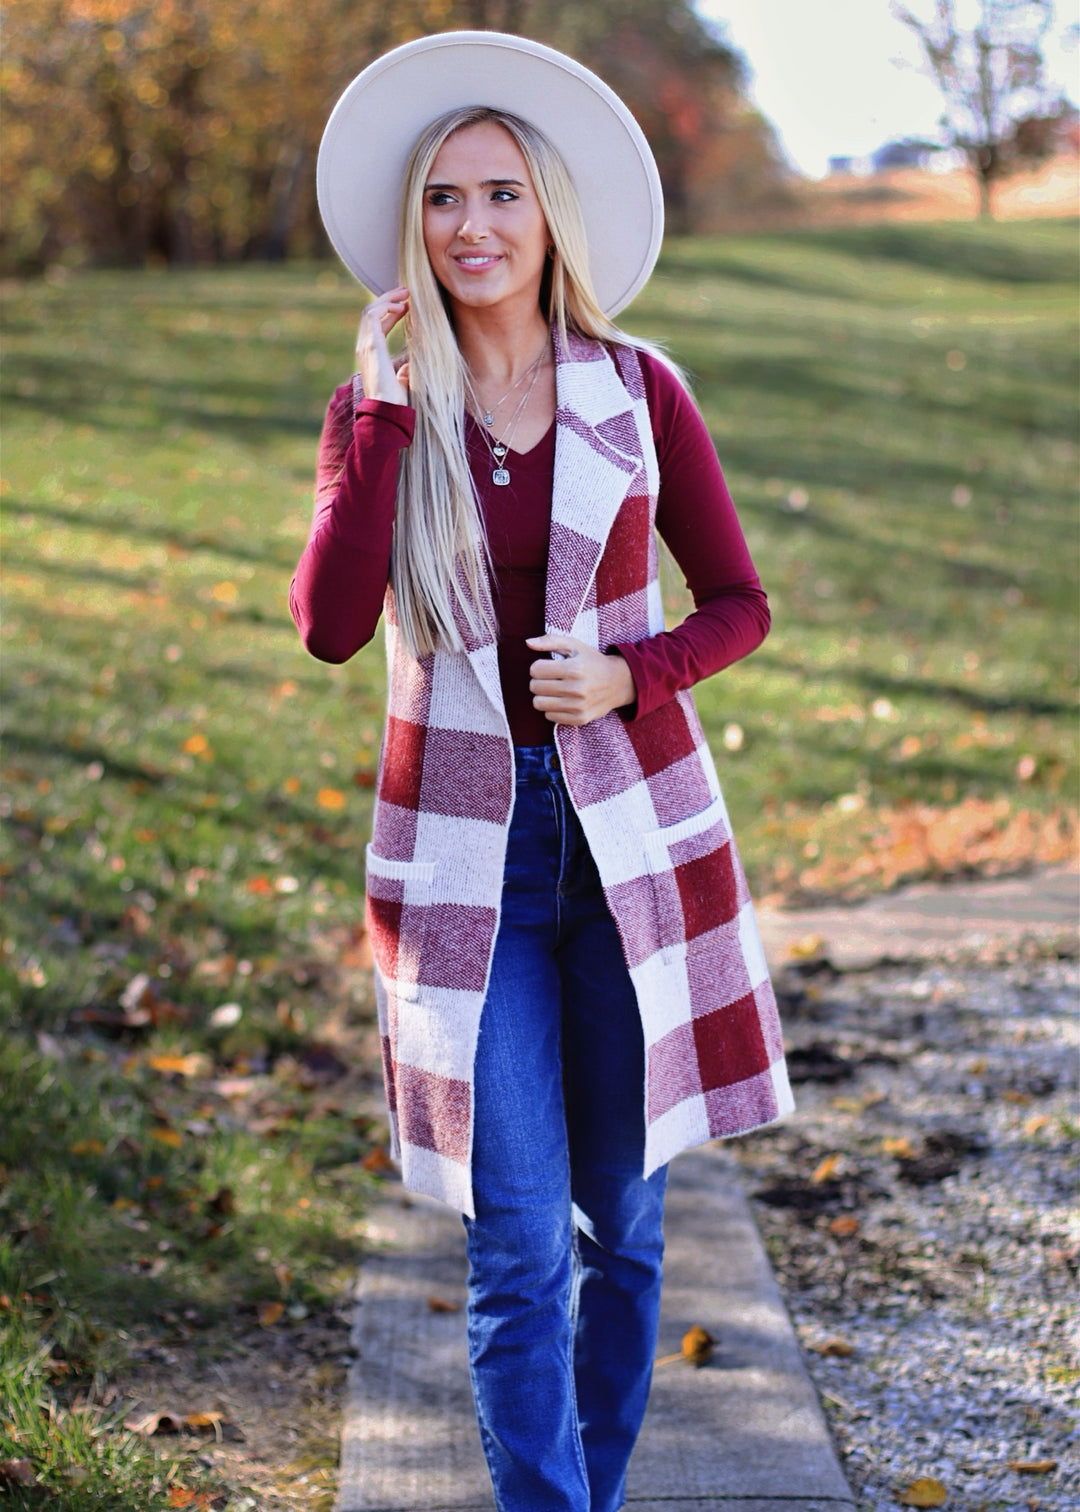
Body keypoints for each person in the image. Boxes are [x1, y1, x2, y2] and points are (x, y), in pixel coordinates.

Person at [291, 31, 795, 1512]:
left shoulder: (639, 392)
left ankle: (595, 1486)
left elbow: (742, 602)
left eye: (501, 194)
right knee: (515, 1244)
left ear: (547, 215)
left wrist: (636, 675)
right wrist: (380, 410)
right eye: (444, 200)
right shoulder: (385, 412)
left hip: (625, 851)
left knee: (624, 1238)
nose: (472, 227)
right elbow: (328, 627)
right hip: (469, 868)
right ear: (415, 227)